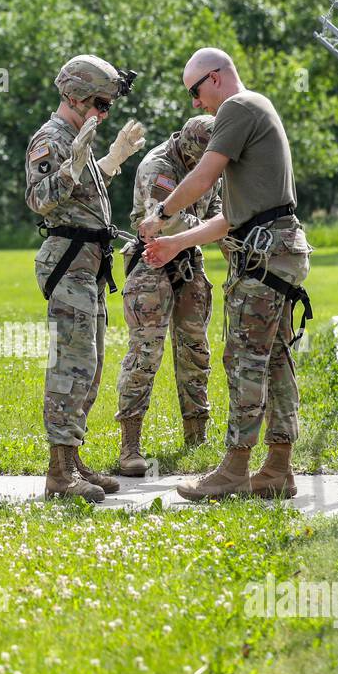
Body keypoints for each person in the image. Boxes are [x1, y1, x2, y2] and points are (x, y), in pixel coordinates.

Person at [138, 48, 313, 500]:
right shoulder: (256, 109)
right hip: (274, 249)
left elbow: (202, 176)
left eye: (195, 92)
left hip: (265, 257)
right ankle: (278, 470)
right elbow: (232, 219)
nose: (196, 104)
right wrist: (175, 242)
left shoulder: (238, 107)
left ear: (215, 78)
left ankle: (236, 469)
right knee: (273, 359)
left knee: (244, 359)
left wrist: (160, 213)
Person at [25, 54, 146, 502]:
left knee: (88, 368)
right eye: (99, 101)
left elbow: (86, 198)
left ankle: (72, 457)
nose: (103, 111)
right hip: (68, 259)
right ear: (74, 95)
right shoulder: (51, 139)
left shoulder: (79, 137)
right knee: (70, 366)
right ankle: (58, 473)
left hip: (90, 263)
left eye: (108, 104)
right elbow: (40, 199)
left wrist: (111, 158)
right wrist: (72, 164)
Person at [115, 115, 221, 476]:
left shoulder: (212, 163)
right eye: (196, 160)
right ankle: (130, 445)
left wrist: (220, 226)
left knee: (196, 349)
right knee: (145, 352)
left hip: (189, 261)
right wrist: (217, 229)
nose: (201, 167)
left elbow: (220, 211)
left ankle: (197, 437)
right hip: (151, 263)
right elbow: (166, 220)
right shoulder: (158, 165)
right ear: (186, 146)